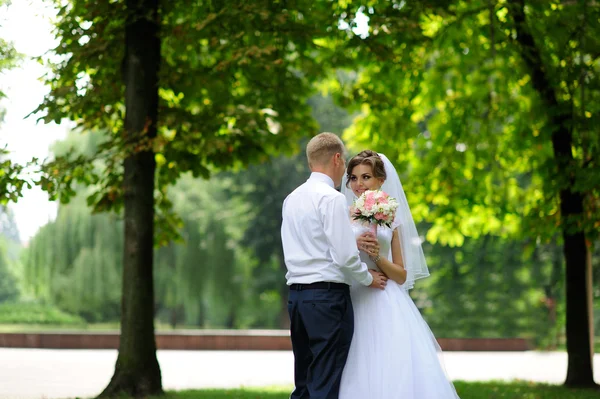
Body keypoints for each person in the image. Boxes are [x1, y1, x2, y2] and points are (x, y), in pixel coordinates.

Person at [339, 150, 460, 399]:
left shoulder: (391, 219)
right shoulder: (340, 214)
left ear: (381, 180)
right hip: (353, 296)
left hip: (385, 300)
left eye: (366, 177)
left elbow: (402, 275)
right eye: (353, 178)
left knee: (391, 366)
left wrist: (376, 257)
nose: (358, 184)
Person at [281, 133, 388, 399]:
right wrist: (368, 278)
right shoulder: (331, 198)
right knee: (325, 383)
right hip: (327, 299)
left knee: (304, 382)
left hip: (296, 299)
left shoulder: (291, 198)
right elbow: (344, 256)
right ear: (337, 158)